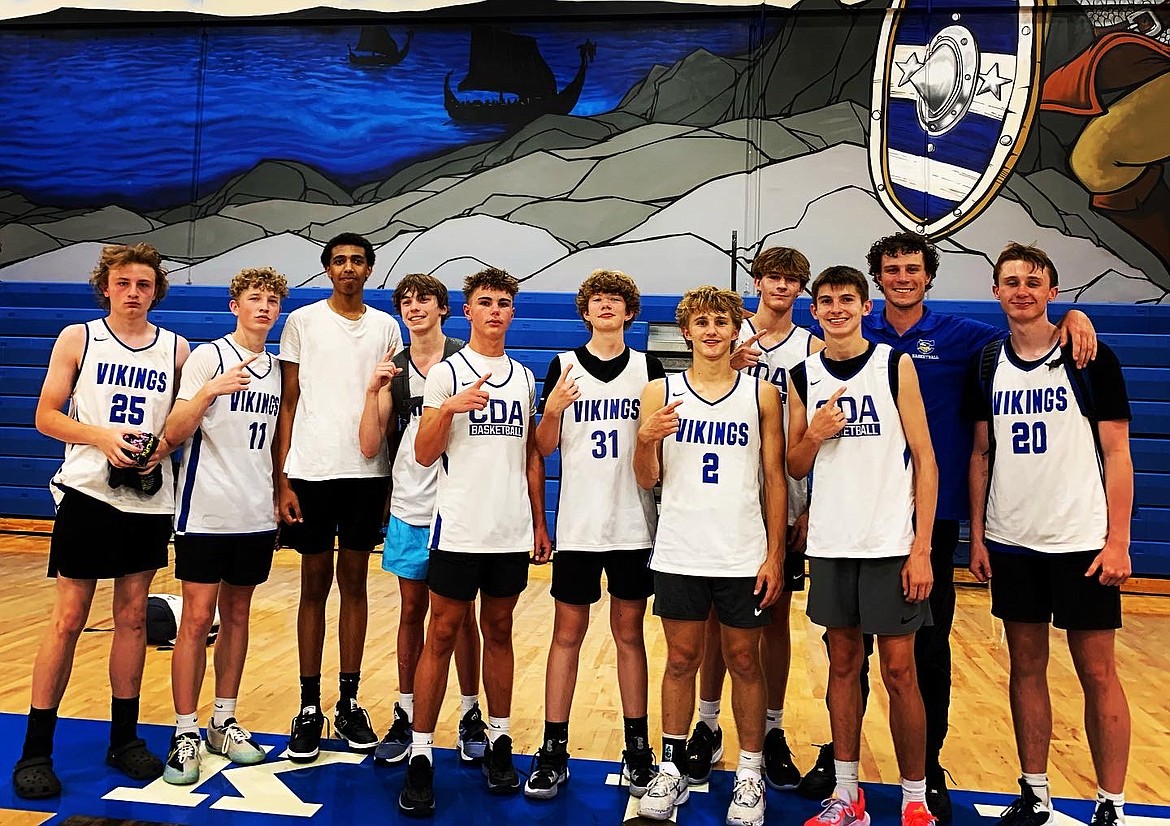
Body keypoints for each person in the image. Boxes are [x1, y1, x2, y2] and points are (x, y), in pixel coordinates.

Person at [797, 232, 1097, 822]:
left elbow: (1031, 329)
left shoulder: (967, 338)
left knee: (924, 651)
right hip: (850, 514)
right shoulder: (849, 332)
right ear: (875, 282)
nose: (902, 277)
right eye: (891, 269)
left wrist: (1076, 314)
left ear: (928, 276)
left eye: (912, 268)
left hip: (928, 516)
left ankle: (925, 767)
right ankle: (842, 762)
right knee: (844, 646)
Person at [12, 243, 189, 799]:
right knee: (69, 617)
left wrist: (162, 447)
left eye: (143, 284)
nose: (133, 292)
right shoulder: (79, 337)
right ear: (106, 287)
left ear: (156, 289)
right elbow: (45, 416)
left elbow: (186, 416)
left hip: (147, 497)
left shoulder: (178, 349)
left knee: (134, 617)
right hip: (89, 492)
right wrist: (103, 437)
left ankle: (125, 736)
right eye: (123, 283)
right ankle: (36, 749)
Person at [968, 243, 1134, 826]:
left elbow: (1117, 453)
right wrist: (982, 536)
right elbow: (981, 454)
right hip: (1014, 539)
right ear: (996, 291)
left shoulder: (1091, 357)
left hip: (1082, 539)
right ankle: (1034, 791)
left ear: (1052, 292)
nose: (1022, 290)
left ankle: (1110, 802)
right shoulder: (988, 361)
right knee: (1026, 665)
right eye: (1010, 281)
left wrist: (1118, 540)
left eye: (1033, 281)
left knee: (1097, 672)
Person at [397, 267, 553, 818]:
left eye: (503, 303)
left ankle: (502, 737)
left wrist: (539, 521)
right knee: (441, 633)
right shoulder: (445, 373)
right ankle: (421, 753)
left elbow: (531, 455)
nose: (494, 311)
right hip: (458, 528)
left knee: (502, 631)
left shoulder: (524, 376)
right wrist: (447, 409)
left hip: (509, 530)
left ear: (513, 313)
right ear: (467, 311)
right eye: (484, 302)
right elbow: (421, 452)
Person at [787, 265, 938, 826]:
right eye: (825, 301)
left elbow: (926, 458)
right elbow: (793, 464)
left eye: (846, 299)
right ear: (815, 310)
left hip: (890, 542)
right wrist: (813, 433)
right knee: (842, 665)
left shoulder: (893, 364)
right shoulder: (804, 376)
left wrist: (921, 547)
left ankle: (915, 797)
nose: (836, 308)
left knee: (901, 672)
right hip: (831, 543)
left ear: (865, 307)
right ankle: (847, 795)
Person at [633, 286, 784, 826]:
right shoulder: (660, 392)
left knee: (744, 659)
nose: (713, 330)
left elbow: (774, 476)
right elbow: (646, 478)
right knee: (680, 659)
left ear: (734, 329)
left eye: (723, 321)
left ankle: (748, 774)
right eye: (703, 322)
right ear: (687, 331)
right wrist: (645, 440)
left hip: (742, 551)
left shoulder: (761, 394)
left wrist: (775, 554)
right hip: (680, 548)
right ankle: (671, 766)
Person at [523, 269, 665, 800]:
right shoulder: (562, 367)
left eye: (617, 300)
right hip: (580, 526)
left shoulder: (649, 370)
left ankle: (637, 748)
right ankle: (553, 747)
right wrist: (553, 411)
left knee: (629, 636)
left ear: (629, 312)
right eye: (597, 300)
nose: (606, 306)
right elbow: (541, 447)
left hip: (633, 523)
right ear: (585, 312)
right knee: (567, 635)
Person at [686, 247, 823, 791]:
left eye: (793, 280)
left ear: (800, 289)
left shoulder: (812, 348)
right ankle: (708, 722)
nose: (782, 286)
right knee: (718, 623)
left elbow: (819, 432)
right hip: (725, 501)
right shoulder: (726, 335)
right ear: (757, 281)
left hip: (784, 499)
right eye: (773, 277)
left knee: (772, 623)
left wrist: (810, 504)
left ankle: (770, 730)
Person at [275, 232, 403, 762]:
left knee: (354, 586)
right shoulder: (302, 321)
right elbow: (287, 404)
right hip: (310, 472)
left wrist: (393, 479)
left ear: (369, 270)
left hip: (366, 473)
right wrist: (282, 479)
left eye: (357, 261)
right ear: (327, 269)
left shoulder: (386, 327)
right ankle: (309, 705)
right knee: (312, 586)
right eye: (339, 261)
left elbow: (392, 409)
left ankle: (349, 701)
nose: (348, 268)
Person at [159, 266, 288, 785]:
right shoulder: (206, 357)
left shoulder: (279, 368)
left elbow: (278, 439)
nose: (263, 307)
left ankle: (223, 720)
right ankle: (184, 729)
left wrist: (281, 491)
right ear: (234, 305)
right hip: (204, 510)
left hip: (254, 513)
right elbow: (171, 431)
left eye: (272, 300)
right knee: (197, 619)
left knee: (238, 616)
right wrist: (208, 391)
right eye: (254, 298)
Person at [356, 273, 487, 766]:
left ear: (444, 309)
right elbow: (370, 446)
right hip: (412, 507)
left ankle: (471, 712)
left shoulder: (467, 360)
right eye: (406, 302)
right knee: (412, 613)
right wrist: (373, 393)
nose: (415, 308)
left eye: (424, 300)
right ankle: (407, 712)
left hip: (462, 507)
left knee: (462, 618)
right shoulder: (395, 371)